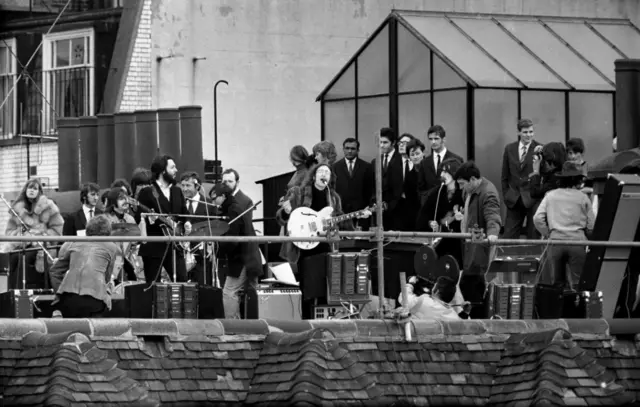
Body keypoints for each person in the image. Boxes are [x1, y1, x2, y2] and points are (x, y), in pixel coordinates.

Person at [277, 163, 361, 319]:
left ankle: (322, 318)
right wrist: (286, 211)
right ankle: (305, 318)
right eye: (321, 171)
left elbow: (340, 219)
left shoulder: (334, 197)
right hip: (303, 245)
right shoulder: (299, 192)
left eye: (327, 173)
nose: (324, 174)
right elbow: (282, 217)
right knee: (307, 285)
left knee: (324, 283)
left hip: (324, 244)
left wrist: (357, 216)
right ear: (314, 175)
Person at [533, 161, 595, 291]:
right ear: (578, 179)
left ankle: (559, 310)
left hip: (555, 242)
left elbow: (537, 218)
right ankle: (578, 309)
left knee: (557, 283)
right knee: (578, 283)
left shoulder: (550, 196)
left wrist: (548, 233)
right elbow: (591, 225)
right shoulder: (583, 197)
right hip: (577, 243)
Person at [454, 161, 502, 318]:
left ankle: (477, 321)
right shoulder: (469, 191)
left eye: (462, 184)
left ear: (473, 179)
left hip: (479, 250)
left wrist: (493, 232)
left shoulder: (488, 193)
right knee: (467, 286)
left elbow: (492, 214)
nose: (461, 188)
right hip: (469, 247)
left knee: (473, 287)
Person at [49, 215, 119, 318]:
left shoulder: (74, 242)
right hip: (95, 299)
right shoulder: (112, 246)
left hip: (68, 297)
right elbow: (107, 278)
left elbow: (54, 271)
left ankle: (59, 310)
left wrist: (59, 291)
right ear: (108, 231)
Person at [136, 155, 192, 283]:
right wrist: (150, 220)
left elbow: (184, 212)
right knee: (153, 285)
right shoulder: (148, 192)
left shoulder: (177, 191)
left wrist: (187, 222)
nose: (176, 170)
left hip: (175, 246)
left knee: (182, 280)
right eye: (172, 167)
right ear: (163, 171)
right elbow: (139, 216)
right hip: (155, 246)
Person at [1, 179, 64, 289]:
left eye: (35, 188)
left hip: (42, 247)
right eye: (30, 188)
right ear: (25, 190)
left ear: (39, 191)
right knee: (9, 258)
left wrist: (41, 234)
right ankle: (9, 292)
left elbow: (57, 228)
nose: (32, 191)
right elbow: (9, 232)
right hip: (19, 245)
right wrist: (20, 235)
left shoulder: (48, 206)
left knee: (25, 258)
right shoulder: (17, 208)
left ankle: (28, 292)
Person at [217, 169, 263, 319]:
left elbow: (240, 231)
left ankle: (237, 325)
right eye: (224, 182)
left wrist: (221, 247)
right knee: (241, 291)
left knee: (233, 291)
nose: (227, 184)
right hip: (238, 254)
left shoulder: (242, 203)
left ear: (237, 182)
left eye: (230, 181)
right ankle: (244, 323)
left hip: (243, 254)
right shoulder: (227, 205)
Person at [416, 157, 464, 267]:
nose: (442, 175)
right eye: (441, 171)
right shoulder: (437, 193)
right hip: (441, 243)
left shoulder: (463, 192)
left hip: (458, 243)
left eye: (446, 172)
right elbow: (423, 215)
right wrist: (430, 223)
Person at [501, 118, 541, 239]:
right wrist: (506, 195)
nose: (528, 135)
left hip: (532, 199)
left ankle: (532, 258)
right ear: (519, 133)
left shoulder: (539, 149)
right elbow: (504, 175)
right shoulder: (509, 149)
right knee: (508, 236)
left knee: (533, 236)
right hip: (514, 199)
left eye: (531, 132)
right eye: (525, 132)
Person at [180, 171, 217, 285]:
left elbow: (215, 227)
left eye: (188, 185)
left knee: (202, 286)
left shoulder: (209, 204)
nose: (185, 189)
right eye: (183, 185)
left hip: (202, 255)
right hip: (181, 253)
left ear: (197, 186)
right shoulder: (178, 203)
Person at [417, 125, 463, 206]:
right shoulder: (424, 163)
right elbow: (421, 189)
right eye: (430, 139)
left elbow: (461, 185)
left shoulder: (456, 160)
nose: (433, 142)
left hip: (451, 206)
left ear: (444, 139)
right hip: (431, 207)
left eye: (436, 138)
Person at [333, 138, 373, 230]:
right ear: (343, 149)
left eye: (352, 148)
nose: (349, 151)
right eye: (347, 148)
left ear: (358, 150)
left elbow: (371, 188)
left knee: (361, 241)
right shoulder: (335, 167)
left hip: (361, 212)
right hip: (342, 212)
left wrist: (369, 206)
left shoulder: (367, 167)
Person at [370, 127, 404, 231]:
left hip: (398, 211)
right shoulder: (375, 161)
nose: (382, 145)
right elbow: (372, 186)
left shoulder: (401, 160)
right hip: (379, 213)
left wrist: (390, 205)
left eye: (385, 142)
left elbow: (401, 186)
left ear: (393, 143)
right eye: (380, 142)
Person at [396, 133, 421, 231]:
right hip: (400, 210)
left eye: (405, 142)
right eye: (400, 143)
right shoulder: (393, 163)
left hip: (418, 207)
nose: (401, 145)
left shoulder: (420, 165)